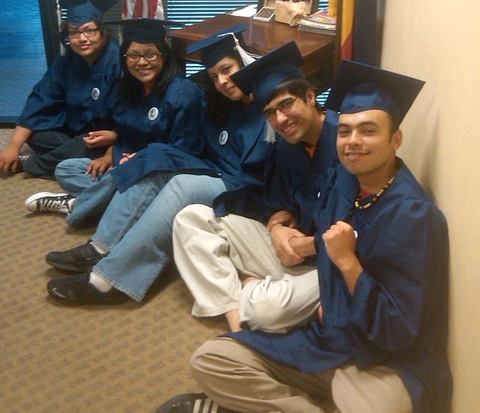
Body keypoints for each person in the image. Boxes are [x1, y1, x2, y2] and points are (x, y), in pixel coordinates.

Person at [156, 61, 452, 413]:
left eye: (368, 131)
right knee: (212, 358)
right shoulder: (344, 183)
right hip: (329, 340)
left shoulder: (412, 215)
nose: (353, 142)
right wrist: (277, 228)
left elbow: (397, 333)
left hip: (383, 361)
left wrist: (346, 263)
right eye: (344, 132)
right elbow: (281, 206)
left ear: (396, 139)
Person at [44, 25, 273, 305]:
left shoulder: (271, 111)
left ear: (246, 63)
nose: (223, 81)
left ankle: (109, 278)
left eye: (228, 70)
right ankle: (101, 246)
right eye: (214, 76)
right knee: (153, 159)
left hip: (242, 188)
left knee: (175, 178)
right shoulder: (224, 104)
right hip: (214, 170)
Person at [172, 40, 339, 333]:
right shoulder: (287, 145)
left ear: (310, 96)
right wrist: (277, 228)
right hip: (290, 251)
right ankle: (235, 317)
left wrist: (298, 243)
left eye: (286, 104)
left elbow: (360, 233)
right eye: (270, 112)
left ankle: (249, 283)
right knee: (190, 220)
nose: (280, 120)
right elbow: (279, 204)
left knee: (267, 311)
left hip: (331, 266)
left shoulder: (346, 143)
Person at [24, 17, 205, 215]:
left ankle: (78, 205)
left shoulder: (182, 93)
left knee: (120, 177)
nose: (142, 62)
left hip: (161, 169)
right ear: (124, 58)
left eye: (151, 54)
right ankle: (118, 200)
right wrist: (111, 153)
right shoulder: (128, 88)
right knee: (66, 169)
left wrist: (141, 159)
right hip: (126, 160)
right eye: (133, 55)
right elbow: (125, 130)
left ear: (163, 56)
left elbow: (187, 149)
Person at [0, 0, 120, 179]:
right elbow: (41, 97)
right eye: (74, 32)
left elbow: (133, 114)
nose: (82, 38)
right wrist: (13, 145)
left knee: (86, 145)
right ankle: (75, 158)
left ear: (103, 33)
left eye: (89, 30)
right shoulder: (68, 61)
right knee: (34, 134)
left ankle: (31, 164)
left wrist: (114, 143)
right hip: (76, 131)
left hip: (109, 137)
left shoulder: (118, 63)